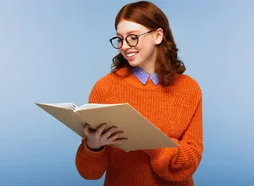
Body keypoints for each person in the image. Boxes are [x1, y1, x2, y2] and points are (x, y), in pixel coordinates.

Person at [74, 1, 203, 185]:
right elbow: (89, 173)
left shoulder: (189, 89)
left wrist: (148, 140)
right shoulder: (105, 88)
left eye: (133, 37)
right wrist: (93, 147)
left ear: (158, 35)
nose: (125, 46)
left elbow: (187, 163)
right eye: (120, 39)